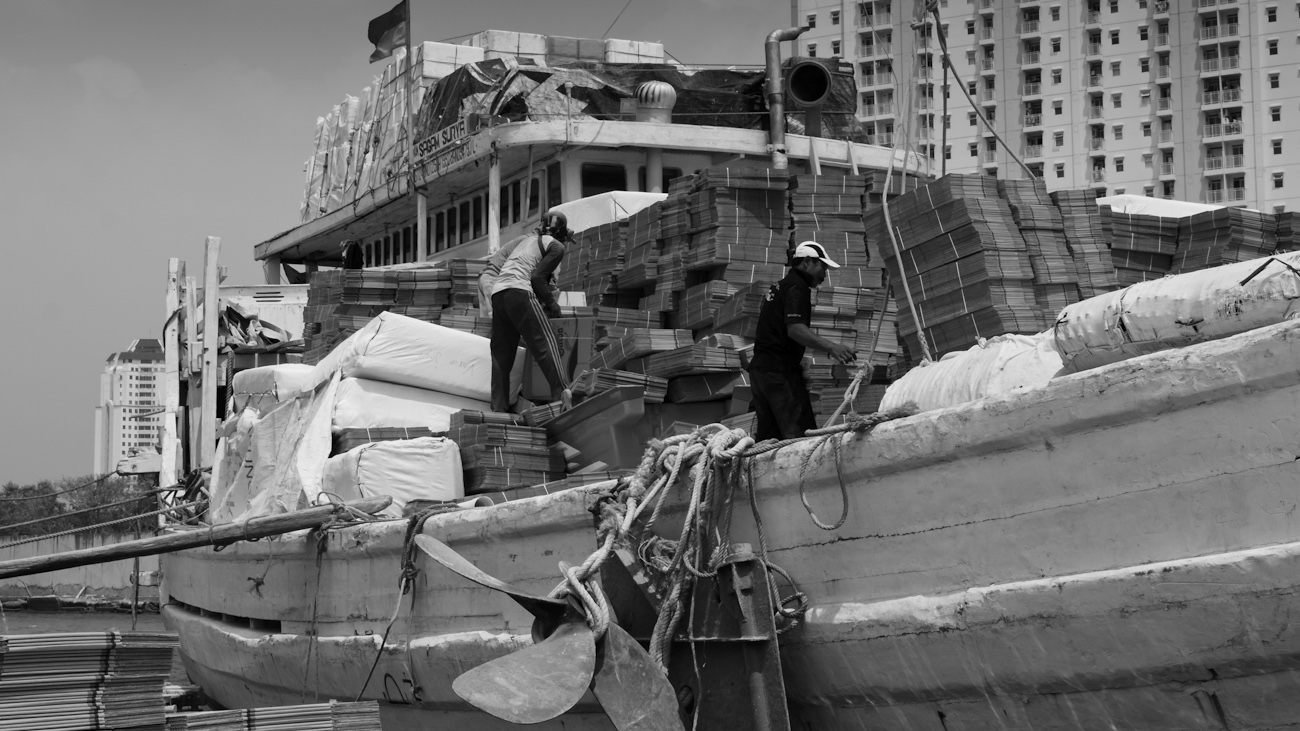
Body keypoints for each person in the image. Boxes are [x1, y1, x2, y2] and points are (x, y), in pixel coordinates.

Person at [747, 241, 857, 441]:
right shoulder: (798, 287)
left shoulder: (779, 286)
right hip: (779, 373)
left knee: (769, 440)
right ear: (807, 262)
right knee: (800, 437)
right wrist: (833, 347)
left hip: (761, 371)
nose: (824, 274)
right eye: (822, 267)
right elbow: (795, 329)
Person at [488, 210, 573, 413]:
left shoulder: (529, 241)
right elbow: (536, 278)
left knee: (501, 355)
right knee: (546, 342)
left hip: (498, 294)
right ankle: (562, 395)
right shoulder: (557, 246)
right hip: (519, 291)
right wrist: (553, 306)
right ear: (561, 233)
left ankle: (498, 409)